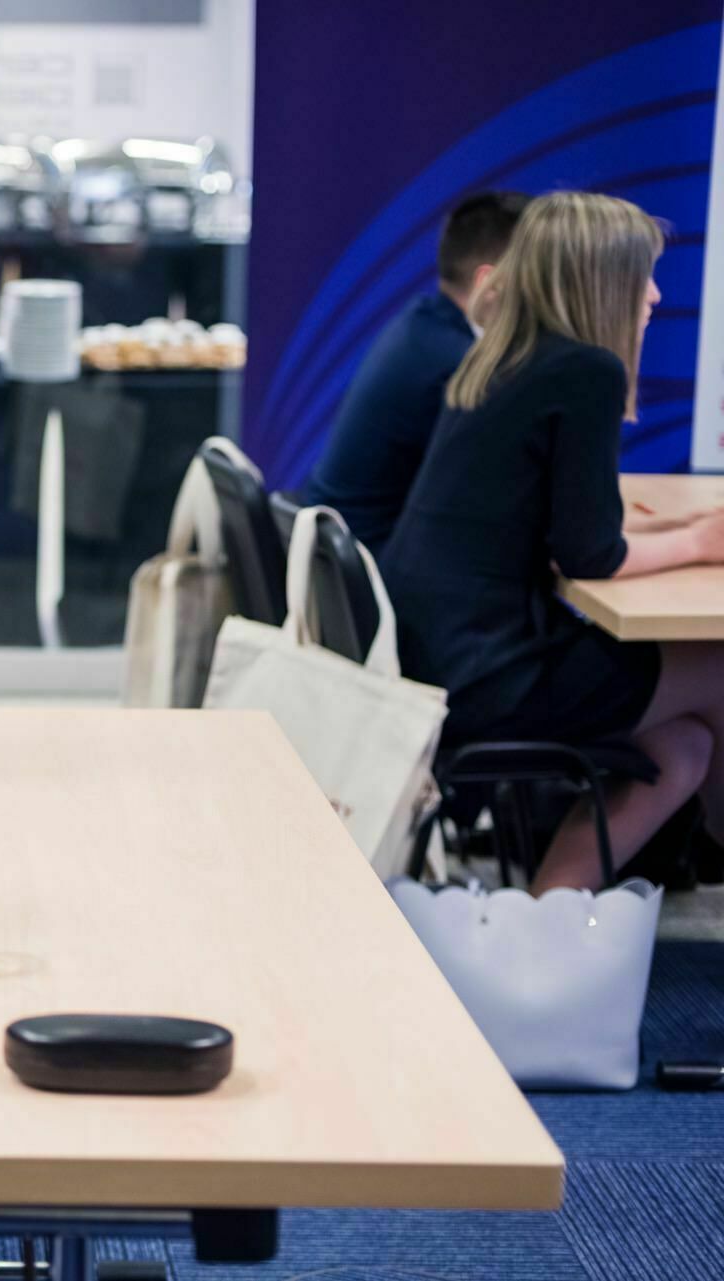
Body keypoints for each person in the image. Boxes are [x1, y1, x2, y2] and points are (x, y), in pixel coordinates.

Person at [382, 190, 724, 892]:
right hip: (496, 674)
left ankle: (541, 921)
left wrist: (669, 531)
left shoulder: (506, 361)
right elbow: (589, 555)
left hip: (445, 658)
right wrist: (702, 539)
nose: (656, 296)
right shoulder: (585, 371)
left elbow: (552, 522)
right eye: (644, 277)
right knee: (718, 672)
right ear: (604, 282)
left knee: (684, 746)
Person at [304, 191, 529, 555]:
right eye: (538, 273)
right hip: (376, 574)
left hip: (341, 562)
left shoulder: (422, 324)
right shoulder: (456, 367)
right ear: (491, 283)